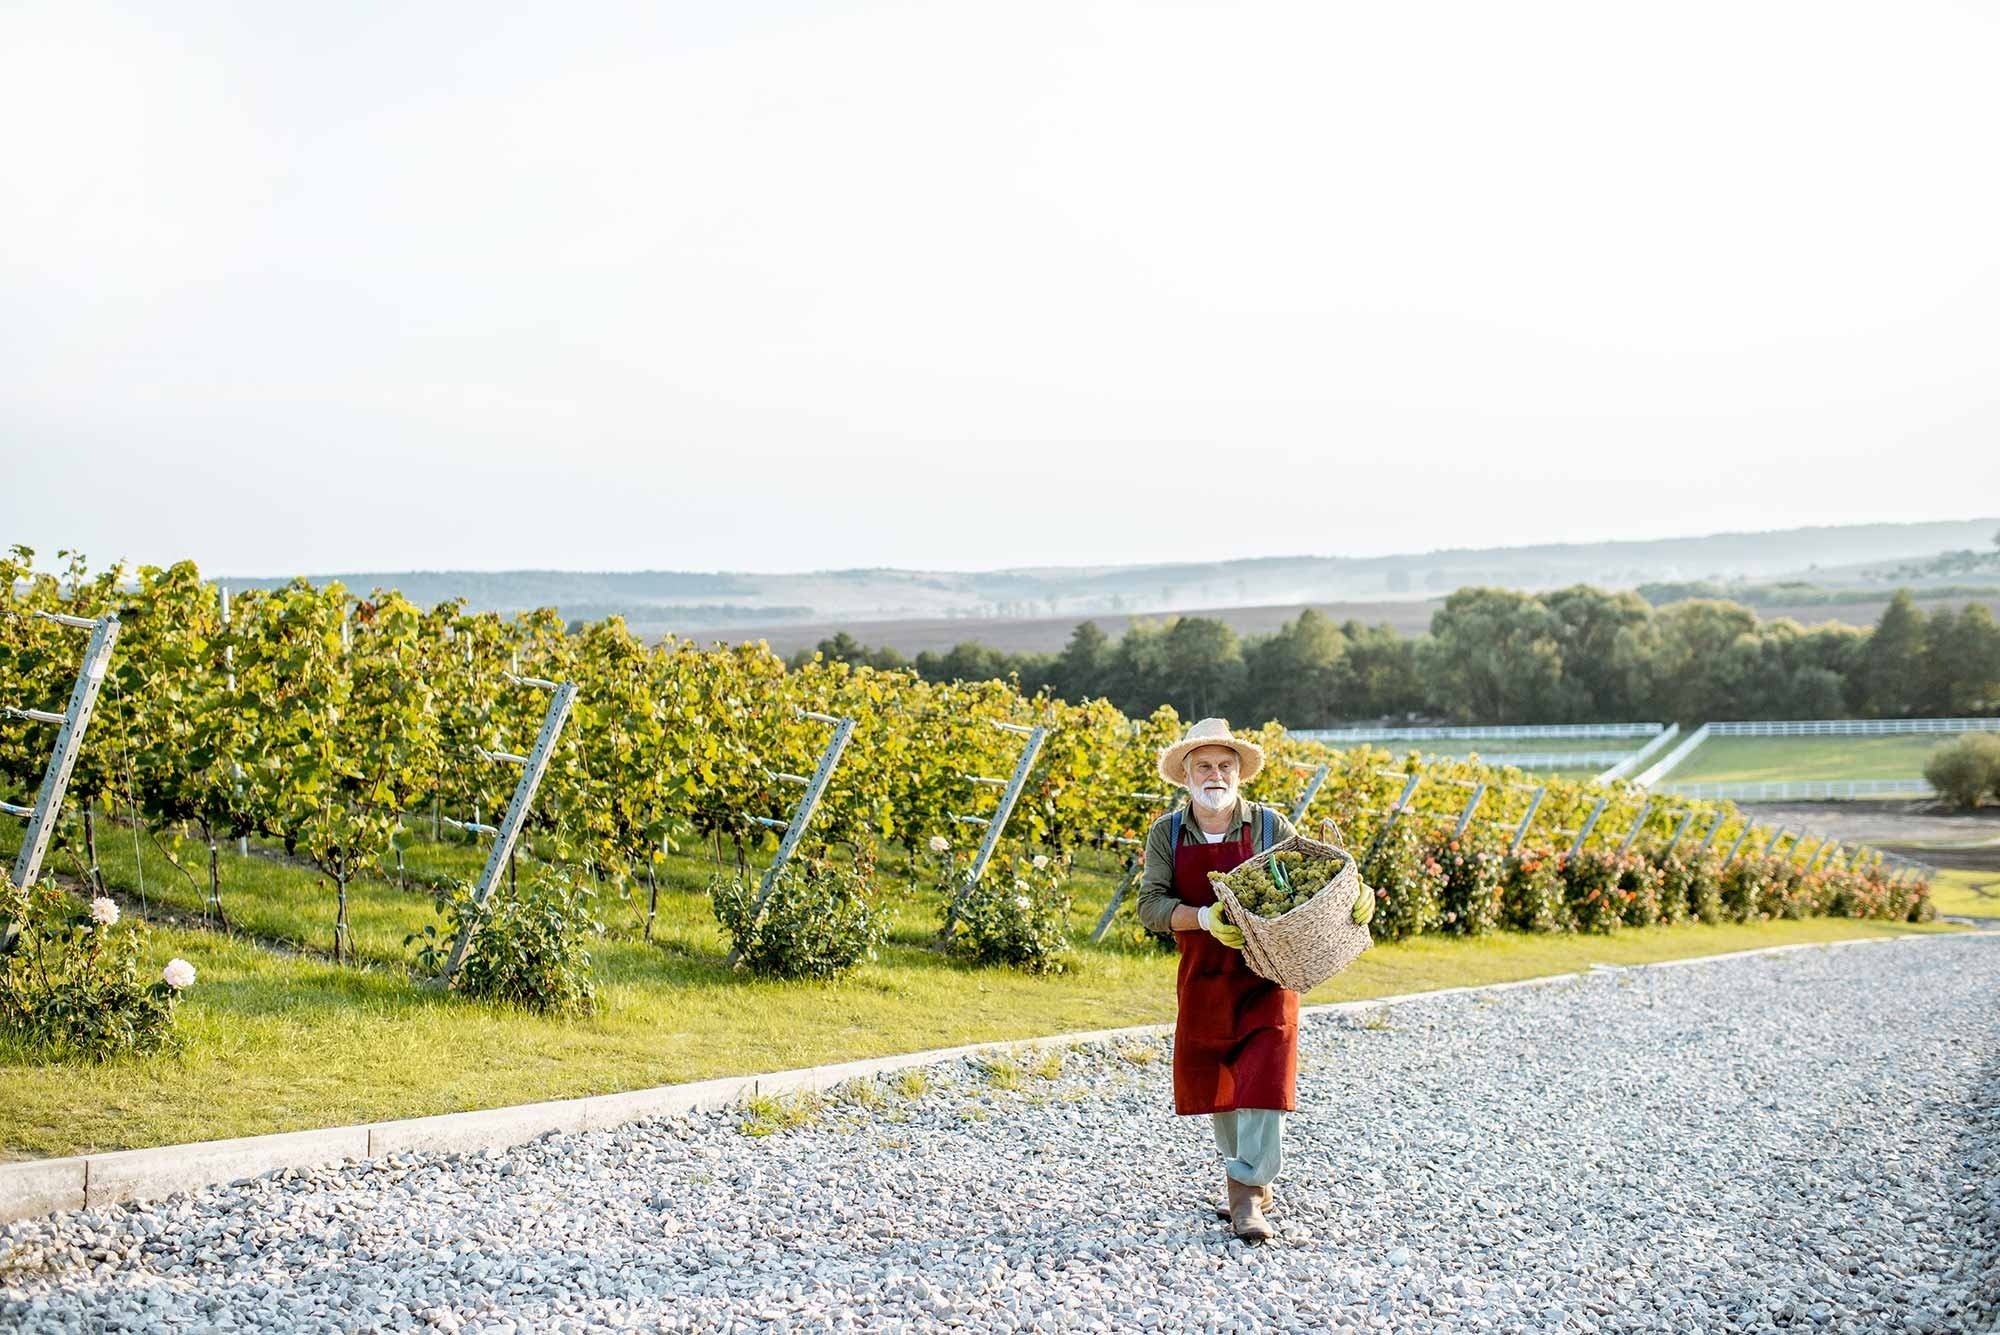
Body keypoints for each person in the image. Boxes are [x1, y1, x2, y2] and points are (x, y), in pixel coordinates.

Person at [1136, 718, 1298, 1242]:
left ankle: (1248, 1192)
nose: (1215, 774)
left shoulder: (1269, 827)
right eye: (1203, 765)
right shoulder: (1167, 833)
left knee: (1265, 1076)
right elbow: (1150, 907)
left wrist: (1350, 899)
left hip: (1266, 973)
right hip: (1204, 974)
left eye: (1224, 765)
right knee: (1221, 1081)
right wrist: (1204, 918)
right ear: (1185, 773)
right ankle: (1241, 1173)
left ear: (1239, 773)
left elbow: (1307, 886)